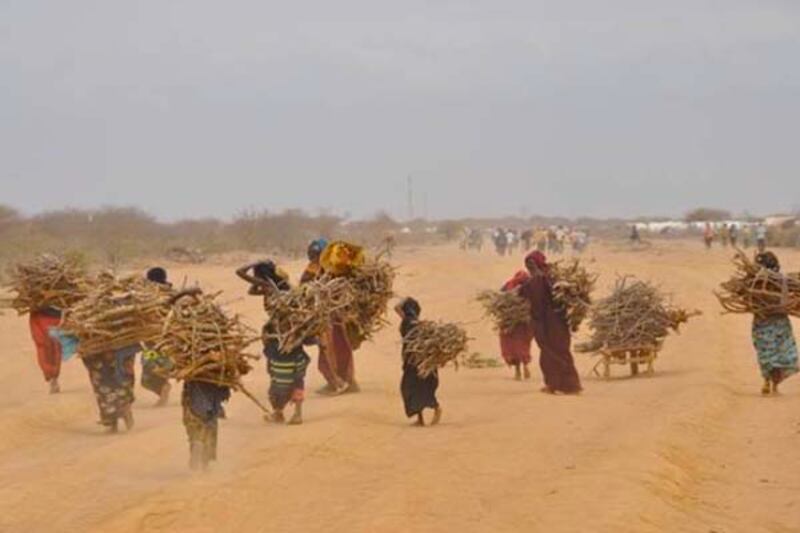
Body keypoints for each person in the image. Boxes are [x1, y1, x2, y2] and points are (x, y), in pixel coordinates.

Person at [518, 251, 582, 395]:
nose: (529, 267)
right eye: (527, 265)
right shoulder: (548, 277)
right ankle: (562, 385)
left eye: (532, 264)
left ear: (538, 263)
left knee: (555, 352)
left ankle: (564, 385)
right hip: (550, 322)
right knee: (552, 352)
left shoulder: (542, 279)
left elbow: (528, 296)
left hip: (550, 322)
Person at [299, 239, 357, 395]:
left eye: (314, 255)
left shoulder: (318, 269)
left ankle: (336, 383)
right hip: (339, 316)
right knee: (343, 348)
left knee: (328, 351)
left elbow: (303, 289)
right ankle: (349, 381)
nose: (312, 258)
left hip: (327, 318)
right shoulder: (337, 269)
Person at [751, 252, 798, 395]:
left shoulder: (753, 281)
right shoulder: (784, 281)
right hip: (780, 322)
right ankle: (775, 387)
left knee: (765, 352)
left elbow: (751, 302)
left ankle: (766, 381)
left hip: (761, 321)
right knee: (781, 352)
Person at [396, 297, 441, 426]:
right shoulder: (412, 321)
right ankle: (420, 418)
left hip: (416, 361)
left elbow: (397, 308)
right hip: (413, 361)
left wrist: (406, 299)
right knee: (413, 388)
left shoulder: (410, 322)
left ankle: (436, 408)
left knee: (413, 387)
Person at [82, 345, 138, 433]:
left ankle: (112, 420)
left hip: (98, 349)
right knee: (122, 378)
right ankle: (124, 407)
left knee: (103, 386)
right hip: (119, 346)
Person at [140, 267, 173, 406]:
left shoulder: (148, 296)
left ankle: (162, 388)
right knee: (161, 363)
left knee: (149, 367)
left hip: (152, 340)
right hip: (168, 339)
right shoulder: (172, 293)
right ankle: (163, 385)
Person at [182, 380, 230, 470]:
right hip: (212, 392)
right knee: (210, 424)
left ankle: (196, 442)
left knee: (193, 422)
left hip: (194, 391)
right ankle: (205, 459)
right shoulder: (220, 372)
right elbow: (224, 391)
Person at [265, 337, 311, 425]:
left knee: (296, 393)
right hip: (279, 378)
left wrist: (299, 374)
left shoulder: (296, 353)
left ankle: (297, 415)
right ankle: (278, 413)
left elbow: (302, 365)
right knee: (274, 395)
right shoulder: (273, 349)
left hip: (292, 378)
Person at [499, 271, 533, 381]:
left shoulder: (509, 285)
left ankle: (518, 371)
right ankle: (525, 367)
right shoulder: (529, 286)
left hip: (511, 323)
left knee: (513, 347)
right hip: (524, 323)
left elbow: (501, 300)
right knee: (523, 346)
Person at [29, 305, 63, 394]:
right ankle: (52, 377)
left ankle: (52, 377)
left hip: (50, 315)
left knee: (50, 347)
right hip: (42, 314)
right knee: (50, 346)